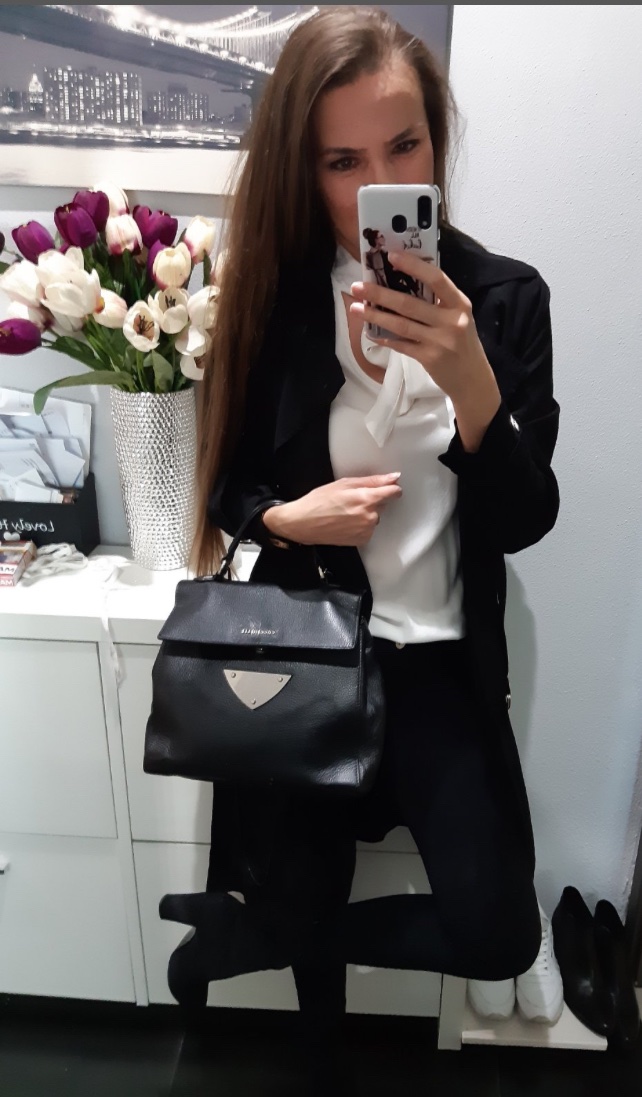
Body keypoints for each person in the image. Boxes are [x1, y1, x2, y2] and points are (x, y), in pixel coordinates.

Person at [161, 2, 560, 1058]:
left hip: (442, 675)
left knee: (500, 929)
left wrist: (471, 384)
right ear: (306, 169)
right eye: (343, 160)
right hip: (313, 653)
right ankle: (309, 1016)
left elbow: (526, 519)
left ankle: (239, 941)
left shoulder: (505, 302)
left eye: (404, 145)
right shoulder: (276, 296)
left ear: (437, 138)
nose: (379, 182)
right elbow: (226, 484)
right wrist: (286, 515)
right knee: (306, 893)